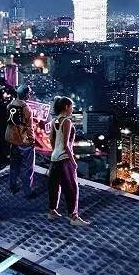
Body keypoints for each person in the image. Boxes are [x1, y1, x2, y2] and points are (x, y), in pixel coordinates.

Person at [48, 96, 89, 226]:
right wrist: (73, 161)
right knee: (72, 188)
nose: (72, 109)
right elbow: (66, 144)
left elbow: (51, 139)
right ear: (66, 107)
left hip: (55, 158)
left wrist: (55, 151)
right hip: (64, 159)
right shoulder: (67, 121)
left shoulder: (55, 120)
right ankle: (74, 217)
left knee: (54, 186)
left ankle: (52, 212)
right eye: (71, 107)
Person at [5, 85, 37, 196]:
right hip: (24, 142)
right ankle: (28, 191)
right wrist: (32, 141)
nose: (30, 95)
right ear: (26, 94)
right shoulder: (27, 109)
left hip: (13, 140)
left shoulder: (10, 105)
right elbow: (29, 128)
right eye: (29, 93)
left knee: (14, 165)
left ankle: (13, 186)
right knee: (28, 167)